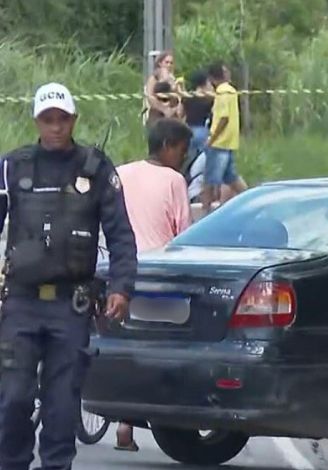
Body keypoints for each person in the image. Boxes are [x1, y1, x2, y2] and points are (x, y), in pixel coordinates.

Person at [0, 82, 137, 470]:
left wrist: (122, 288)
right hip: (21, 304)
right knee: (13, 399)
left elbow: (120, 232)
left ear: (73, 119)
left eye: (63, 119)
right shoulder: (13, 166)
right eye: (48, 119)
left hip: (70, 306)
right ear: (37, 122)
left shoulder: (95, 169)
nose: (56, 127)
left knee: (61, 404)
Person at [113, 118, 193, 450]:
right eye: (182, 151)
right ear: (168, 146)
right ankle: (161, 422)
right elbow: (185, 233)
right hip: (160, 274)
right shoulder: (174, 180)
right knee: (162, 350)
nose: (183, 158)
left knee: (124, 347)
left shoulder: (120, 172)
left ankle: (123, 425)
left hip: (118, 271)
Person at [203, 62, 247, 214]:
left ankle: (205, 212)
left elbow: (223, 118)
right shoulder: (231, 90)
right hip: (229, 141)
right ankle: (250, 199)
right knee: (232, 178)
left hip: (219, 143)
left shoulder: (222, 92)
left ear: (212, 78)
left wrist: (211, 139)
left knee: (209, 180)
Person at [142, 50, 178, 127]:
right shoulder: (154, 78)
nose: (169, 65)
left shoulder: (173, 79)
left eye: (171, 63)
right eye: (167, 62)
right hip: (156, 114)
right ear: (160, 63)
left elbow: (176, 98)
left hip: (170, 114)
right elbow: (150, 96)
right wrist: (163, 109)